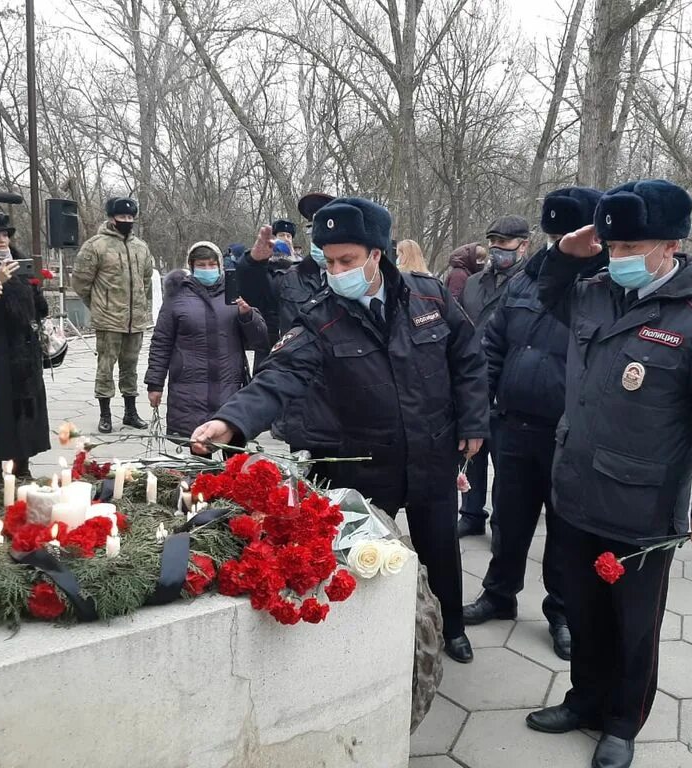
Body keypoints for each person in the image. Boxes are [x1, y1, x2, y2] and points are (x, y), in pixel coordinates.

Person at [525, 180, 692, 768]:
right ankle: (584, 700)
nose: (618, 255)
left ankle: (623, 722)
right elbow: (541, 288)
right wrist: (566, 250)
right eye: (612, 244)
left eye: (631, 245)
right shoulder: (596, 292)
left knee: (632, 624)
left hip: (642, 505)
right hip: (576, 487)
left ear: (671, 245)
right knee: (582, 608)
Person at [190, 197, 489, 663]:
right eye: (328, 260)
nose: (335, 270)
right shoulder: (321, 316)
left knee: (440, 549)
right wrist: (231, 420)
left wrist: (473, 421)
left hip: (432, 452)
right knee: (363, 556)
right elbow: (279, 374)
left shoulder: (429, 296)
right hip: (366, 464)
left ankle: (451, 627)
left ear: (377, 254)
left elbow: (468, 358)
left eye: (346, 260)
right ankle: (373, 639)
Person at [463, 187, 603, 662]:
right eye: (553, 234)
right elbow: (493, 345)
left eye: (570, 234)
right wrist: (479, 407)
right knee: (509, 514)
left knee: (565, 527)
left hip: (572, 431)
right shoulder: (524, 281)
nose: (560, 243)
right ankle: (500, 592)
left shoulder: (605, 285)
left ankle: (561, 610)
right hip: (515, 424)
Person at [144, 242, 267, 442]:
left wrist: (248, 316)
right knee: (198, 456)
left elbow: (259, 339)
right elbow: (161, 342)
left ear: (220, 265)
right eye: (201, 265)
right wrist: (154, 384)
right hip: (189, 390)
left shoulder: (235, 291)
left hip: (229, 386)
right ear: (192, 267)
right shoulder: (177, 296)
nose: (208, 269)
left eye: (212, 264)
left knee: (234, 453)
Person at [456, 215, 531, 538]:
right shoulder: (474, 283)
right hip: (473, 381)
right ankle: (471, 513)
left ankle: (503, 522)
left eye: (504, 243)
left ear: (524, 245)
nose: (497, 249)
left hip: (509, 386)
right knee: (471, 451)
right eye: (493, 242)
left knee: (507, 462)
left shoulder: (531, 285)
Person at [72, 197, 154, 433]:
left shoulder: (141, 247)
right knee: (105, 367)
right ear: (111, 218)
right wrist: (98, 305)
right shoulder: (95, 246)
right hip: (109, 320)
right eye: (122, 217)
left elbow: (145, 279)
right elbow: (80, 282)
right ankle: (105, 414)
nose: (127, 221)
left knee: (131, 367)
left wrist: (139, 302)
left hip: (135, 320)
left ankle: (130, 412)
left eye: (130, 217)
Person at [0, 211, 51, 488]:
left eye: (5, 235)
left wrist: (36, 286)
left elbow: (38, 309)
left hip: (25, 349)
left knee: (28, 408)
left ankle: (23, 465)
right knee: (1, 410)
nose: (2, 240)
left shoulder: (18, 262)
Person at [271, 192, 340, 454]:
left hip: (344, 402)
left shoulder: (359, 279)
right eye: (314, 227)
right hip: (301, 398)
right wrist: (252, 264)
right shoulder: (292, 276)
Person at [237, 218, 299, 369]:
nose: (285, 239)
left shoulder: (300, 269)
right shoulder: (262, 268)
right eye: (281, 235)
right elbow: (248, 287)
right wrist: (254, 262)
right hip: (267, 342)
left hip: (297, 343)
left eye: (288, 236)